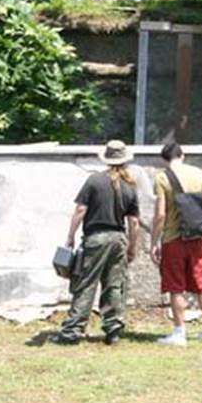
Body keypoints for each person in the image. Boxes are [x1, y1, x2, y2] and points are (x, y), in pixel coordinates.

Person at [53, 140, 140, 346]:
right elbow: (134, 222)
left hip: (95, 238)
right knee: (114, 284)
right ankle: (113, 330)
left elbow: (80, 210)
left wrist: (70, 236)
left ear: (107, 159)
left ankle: (72, 331)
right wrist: (132, 247)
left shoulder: (94, 181)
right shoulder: (129, 186)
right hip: (118, 238)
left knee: (85, 283)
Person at [149, 142, 202, 346]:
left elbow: (160, 214)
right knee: (201, 284)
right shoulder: (199, 174)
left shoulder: (162, 178)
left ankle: (179, 333)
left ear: (164, 159)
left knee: (175, 286)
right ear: (182, 155)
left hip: (173, 238)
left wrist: (154, 241)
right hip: (196, 237)